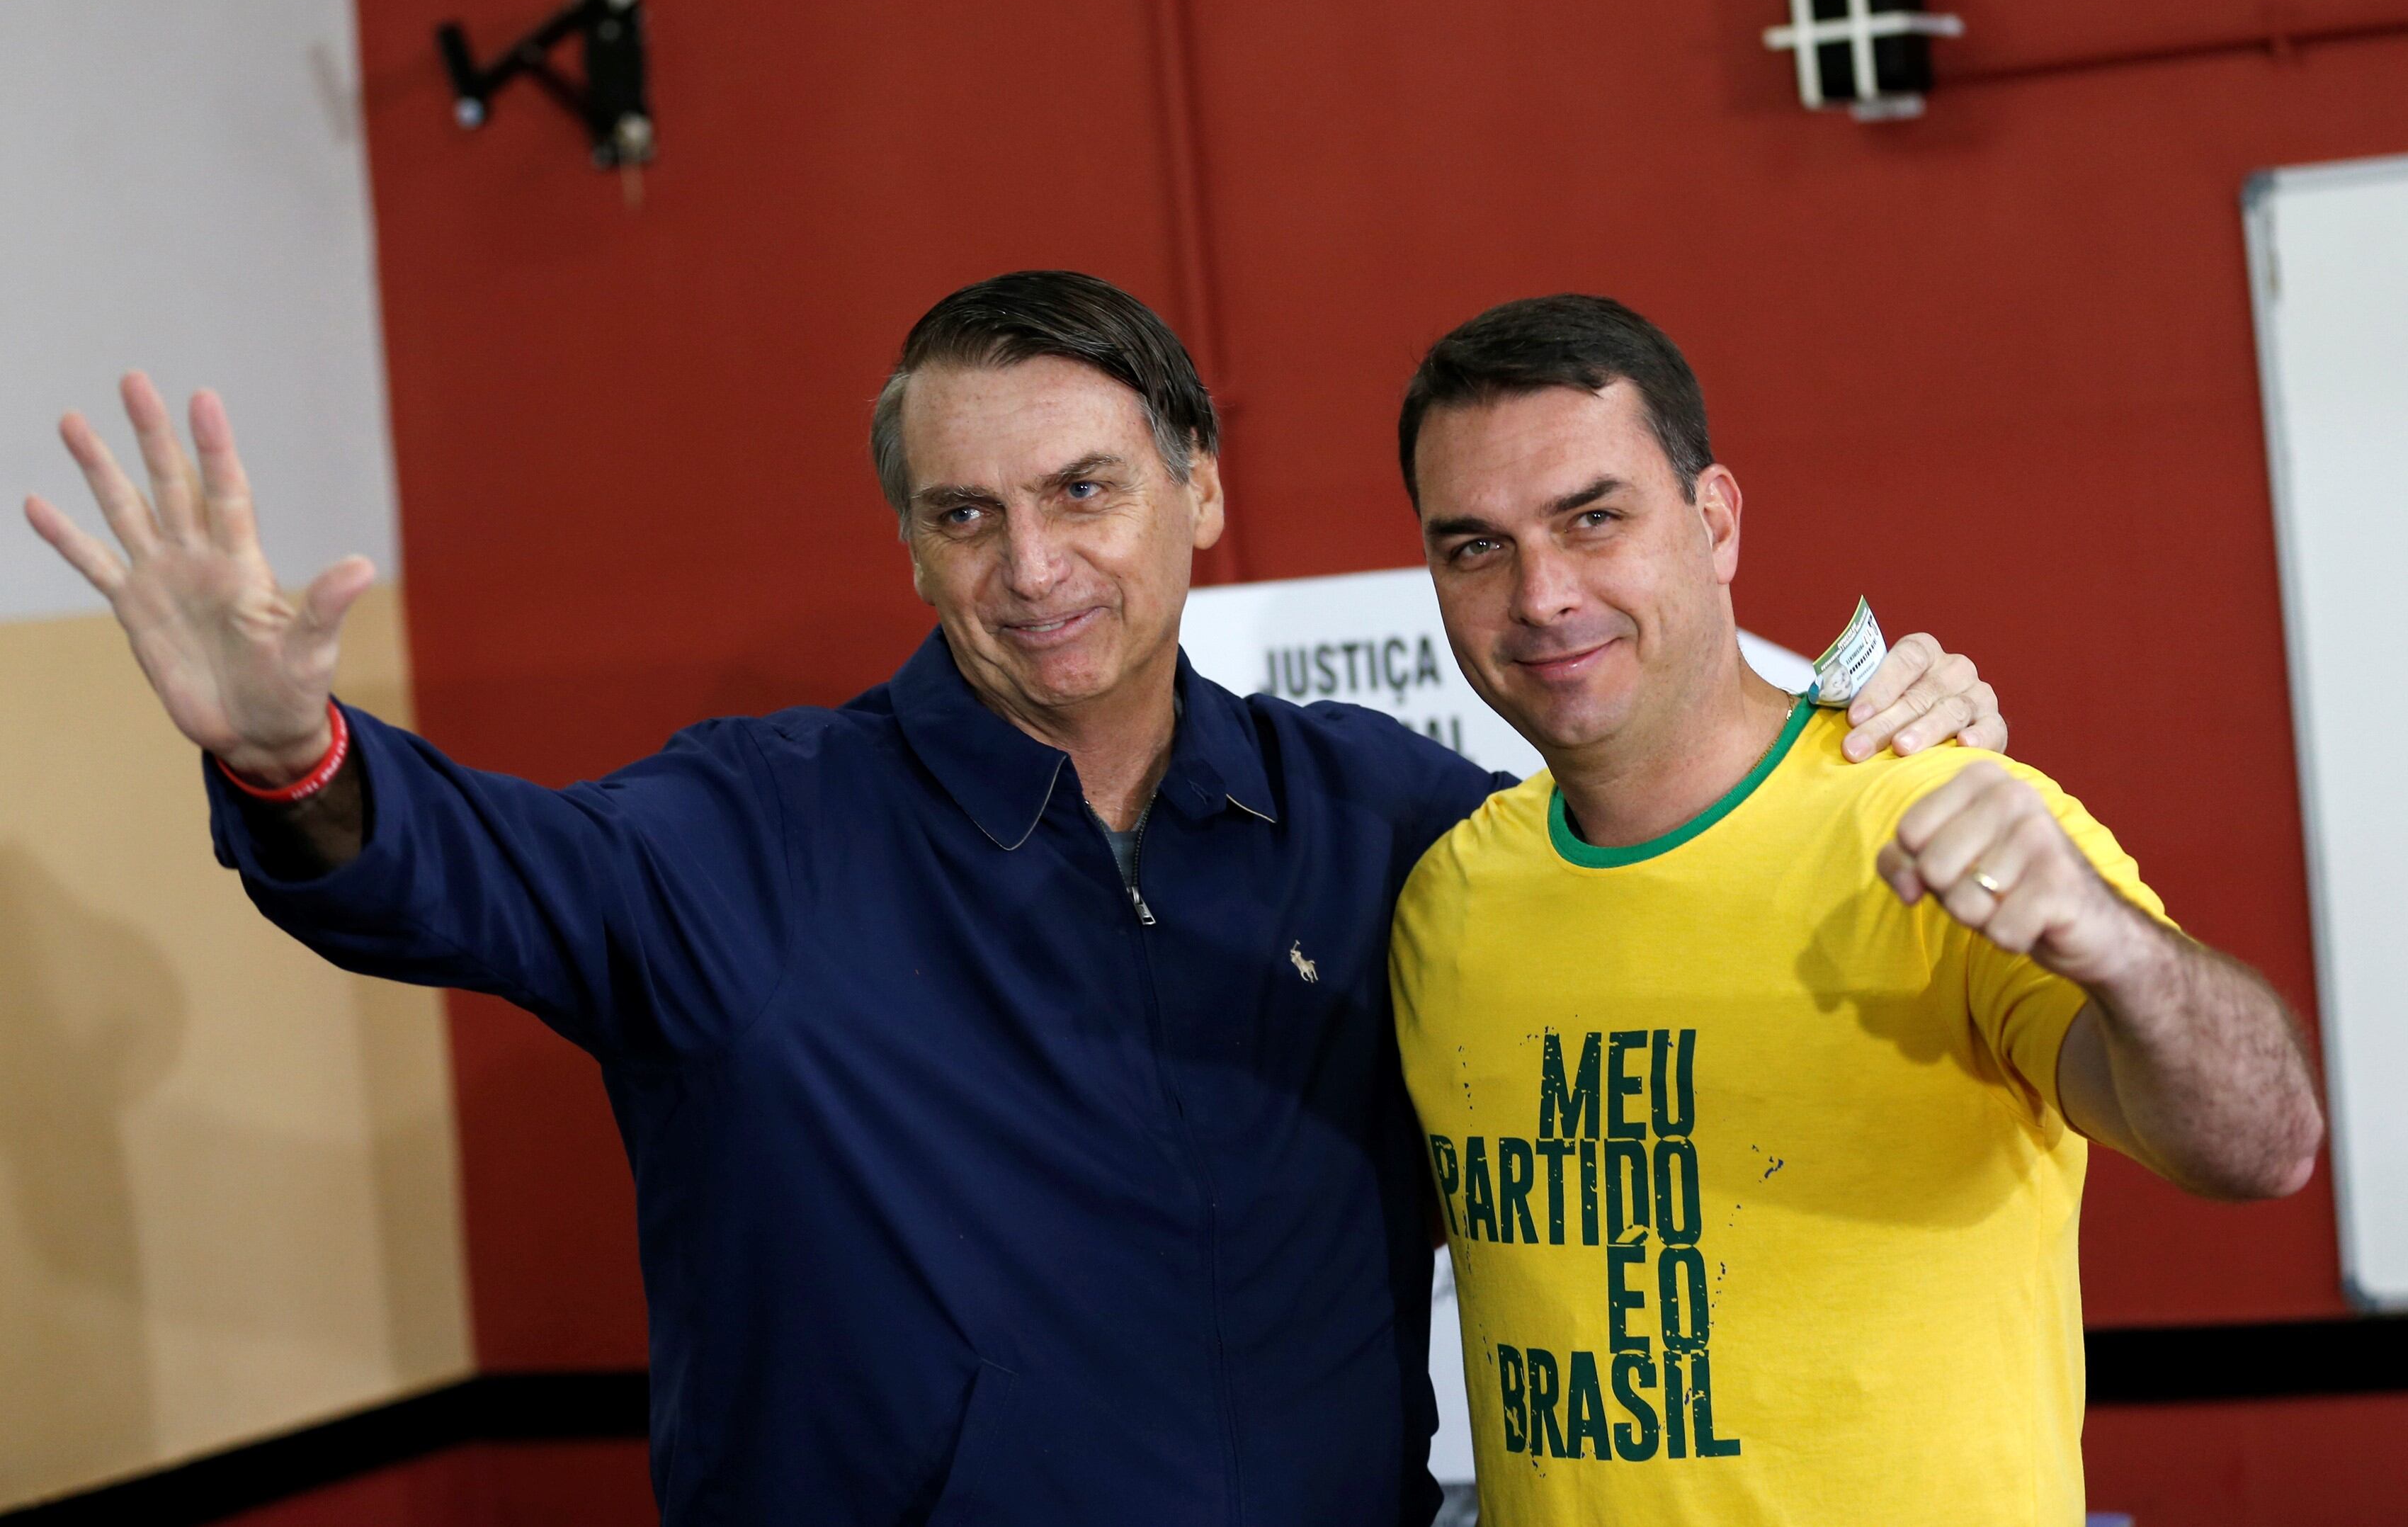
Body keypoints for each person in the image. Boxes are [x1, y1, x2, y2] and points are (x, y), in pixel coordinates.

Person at [23, 273, 2008, 1525]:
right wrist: (300, 760)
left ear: (1201, 493)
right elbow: (469, 870)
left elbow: (1650, 819)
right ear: (909, 548)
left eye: (1082, 490)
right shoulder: (749, 833)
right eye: (963, 514)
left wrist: (1863, 718)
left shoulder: (1395, 821)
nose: (1030, 562)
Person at [1385, 295, 2324, 1526]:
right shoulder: (1446, 900)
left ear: (1713, 521)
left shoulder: (1937, 819)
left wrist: (2121, 953)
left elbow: (2264, 1146)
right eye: (1475, 548)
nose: (1543, 594)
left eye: (1594, 519)